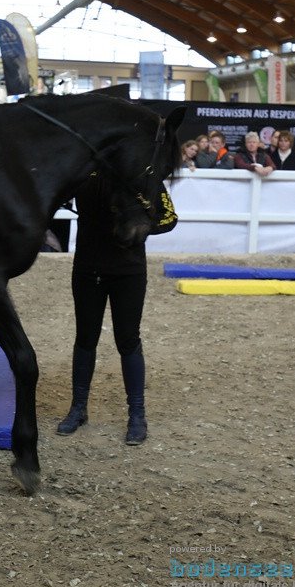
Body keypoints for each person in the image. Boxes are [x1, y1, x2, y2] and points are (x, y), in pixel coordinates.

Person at [56, 172, 172, 445]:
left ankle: (137, 415)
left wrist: (141, 226)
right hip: (87, 268)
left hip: (128, 270)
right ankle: (78, 409)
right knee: (85, 337)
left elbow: (169, 217)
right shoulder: (82, 170)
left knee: (128, 340)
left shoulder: (145, 175)